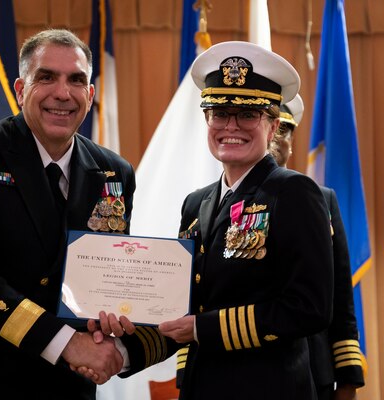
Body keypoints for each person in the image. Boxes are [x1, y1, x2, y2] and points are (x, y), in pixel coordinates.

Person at [0, 29, 137, 399]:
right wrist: (66, 343)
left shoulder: (114, 172)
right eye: (46, 77)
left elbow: (106, 275)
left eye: (76, 80)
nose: (62, 94)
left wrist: (114, 333)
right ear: (21, 90)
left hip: (66, 385)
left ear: (91, 95)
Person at [155, 41, 335, 399]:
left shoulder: (295, 193)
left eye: (248, 114)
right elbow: (183, 301)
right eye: (219, 113)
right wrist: (122, 348)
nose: (231, 126)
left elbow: (310, 308)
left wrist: (204, 329)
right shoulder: (196, 204)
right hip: (200, 387)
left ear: (272, 126)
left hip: (270, 387)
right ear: (206, 120)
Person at [272, 95, 365, 400]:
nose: (276, 138)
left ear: (292, 140)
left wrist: (348, 378)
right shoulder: (213, 202)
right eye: (272, 128)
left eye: (284, 130)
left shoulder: (322, 200)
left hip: (312, 368)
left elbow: (340, 292)